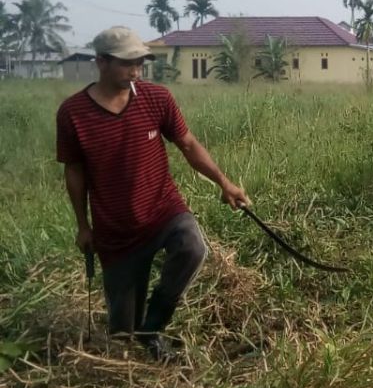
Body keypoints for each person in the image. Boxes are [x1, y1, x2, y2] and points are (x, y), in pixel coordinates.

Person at [56, 26, 250, 360]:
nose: (135, 70)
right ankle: (138, 334)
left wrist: (225, 183)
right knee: (122, 335)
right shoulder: (73, 113)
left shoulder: (156, 98)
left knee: (192, 248)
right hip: (115, 228)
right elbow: (74, 170)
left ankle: (154, 325)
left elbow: (188, 144)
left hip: (163, 209)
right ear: (101, 62)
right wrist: (83, 226)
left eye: (140, 62)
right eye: (126, 63)